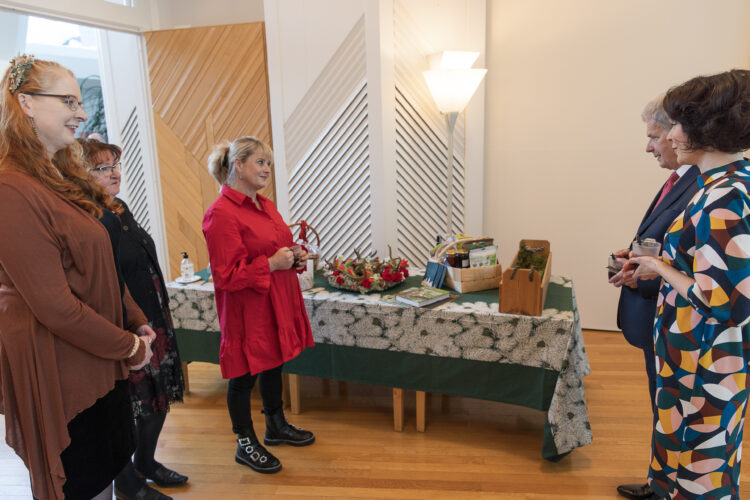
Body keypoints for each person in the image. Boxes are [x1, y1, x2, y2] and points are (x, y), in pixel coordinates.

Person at [0, 55, 155, 500]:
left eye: (80, 101)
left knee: (104, 471)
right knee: (81, 479)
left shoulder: (55, 175)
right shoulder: (12, 188)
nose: (82, 113)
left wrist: (133, 317)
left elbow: (100, 260)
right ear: (25, 103)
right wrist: (128, 347)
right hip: (61, 363)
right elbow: (54, 306)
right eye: (68, 100)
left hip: (95, 354)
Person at [624, 69, 750, 499]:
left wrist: (658, 268)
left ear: (706, 130)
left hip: (707, 362)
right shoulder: (718, 184)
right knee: (677, 453)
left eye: (677, 124)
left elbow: (723, 302)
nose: (671, 135)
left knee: (700, 470)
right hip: (688, 355)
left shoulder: (725, 195)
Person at [78, 139, 187, 498]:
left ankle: (146, 463)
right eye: (103, 167)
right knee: (130, 408)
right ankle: (127, 482)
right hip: (125, 325)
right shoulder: (87, 217)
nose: (114, 173)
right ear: (78, 172)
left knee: (158, 399)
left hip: (150, 316)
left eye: (115, 165)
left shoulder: (119, 207)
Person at [202, 136, 315, 474]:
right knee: (243, 375)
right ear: (238, 165)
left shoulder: (264, 205)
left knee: (273, 361)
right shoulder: (220, 214)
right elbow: (225, 276)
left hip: (274, 299)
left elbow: (277, 243)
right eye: (260, 162)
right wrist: (270, 264)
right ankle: (245, 442)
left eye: (268, 163)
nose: (267, 169)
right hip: (246, 309)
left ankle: (275, 425)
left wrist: (293, 255)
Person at [609, 96, 701, 500]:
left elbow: (698, 271)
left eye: (654, 137)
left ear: (679, 133)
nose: (649, 147)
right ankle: (661, 483)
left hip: (675, 321)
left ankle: (667, 487)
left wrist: (647, 276)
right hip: (658, 314)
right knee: (662, 408)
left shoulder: (707, 184)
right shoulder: (681, 180)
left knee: (674, 413)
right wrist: (635, 258)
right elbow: (670, 247)